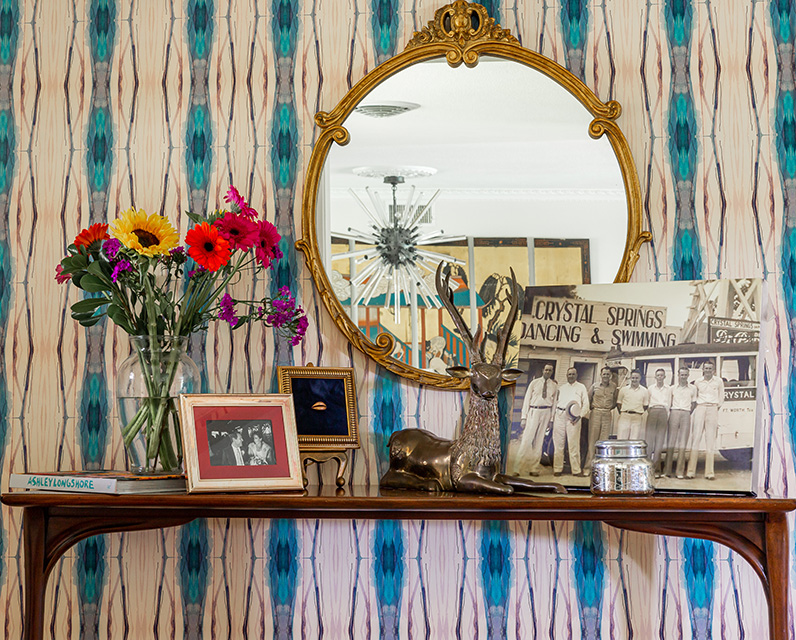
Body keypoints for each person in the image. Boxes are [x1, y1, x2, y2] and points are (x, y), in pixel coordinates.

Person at [515, 364, 557, 476]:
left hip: (546, 412)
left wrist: (551, 419)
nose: (548, 372)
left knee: (539, 441)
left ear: (552, 372)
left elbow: (554, 404)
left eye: (550, 370)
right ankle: (517, 468)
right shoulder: (534, 383)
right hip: (534, 411)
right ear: (543, 370)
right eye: (546, 369)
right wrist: (524, 417)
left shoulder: (554, 386)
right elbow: (527, 399)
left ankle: (534, 468)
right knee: (527, 440)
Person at [686, 361, 725, 480]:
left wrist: (714, 407)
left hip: (712, 408)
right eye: (706, 368)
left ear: (713, 370)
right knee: (696, 438)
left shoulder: (718, 381)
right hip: (700, 408)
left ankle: (709, 472)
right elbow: (695, 396)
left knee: (710, 439)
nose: (708, 370)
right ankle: (691, 471)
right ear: (703, 369)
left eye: (710, 368)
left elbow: (721, 397)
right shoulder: (698, 382)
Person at [551, 367, 590, 476]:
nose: (571, 376)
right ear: (566, 376)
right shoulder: (562, 388)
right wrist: (552, 418)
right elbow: (555, 402)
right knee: (558, 444)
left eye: (573, 374)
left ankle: (576, 470)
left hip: (574, 417)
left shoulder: (581, 387)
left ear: (576, 375)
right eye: (569, 374)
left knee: (573, 444)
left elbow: (586, 404)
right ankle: (557, 469)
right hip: (560, 415)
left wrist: (580, 416)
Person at [665, 366, 697, 478]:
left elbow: (694, 403)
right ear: (678, 375)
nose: (683, 377)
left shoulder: (692, 388)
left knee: (683, 442)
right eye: (681, 374)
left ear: (688, 375)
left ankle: (679, 471)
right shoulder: (672, 388)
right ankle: (667, 471)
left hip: (686, 413)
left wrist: (687, 412)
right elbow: (669, 403)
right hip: (674, 412)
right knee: (671, 441)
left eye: (685, 375)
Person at [585, 367, 617, 471]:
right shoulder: (594, 386)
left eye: (608, 374)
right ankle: (588, 467)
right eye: (604, 374)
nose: (606, 376)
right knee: (593, 440)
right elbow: (588, 400)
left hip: (607, 413)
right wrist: (595, 409)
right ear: (601, 375)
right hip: (596, 412)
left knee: (604, 441)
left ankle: (601, 467)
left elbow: (614, 402)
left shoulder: (614, 387)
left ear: (610, 375)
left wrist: (606, 409)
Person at [646, 368, 673, 476]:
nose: (660, 377)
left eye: (662, 375)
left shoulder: (668, 389)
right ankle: (648, 469)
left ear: (665, 377)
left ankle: (657, 470)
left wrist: (666, 414)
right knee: (649, 441)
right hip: (653, 411)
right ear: (655, 377)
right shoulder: (651, 388)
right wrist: (652, 411)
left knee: (659, 441)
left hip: (663, 412)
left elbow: (669, 403)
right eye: (658, 375)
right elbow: (648, 403)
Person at [615, 370, 649, 440]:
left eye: (636, 378)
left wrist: (637, 411)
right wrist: (624, 412)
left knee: (634, 439)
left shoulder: (644, 390)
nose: (634, 380)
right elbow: (619, 403)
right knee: (621, 439)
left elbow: (645, 405)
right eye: (633, 378)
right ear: (630, 378)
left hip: (637, 417)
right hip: (625, 416)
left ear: (640, 378)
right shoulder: (623, 390)